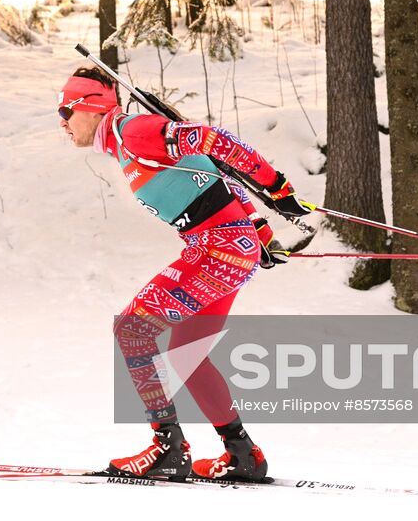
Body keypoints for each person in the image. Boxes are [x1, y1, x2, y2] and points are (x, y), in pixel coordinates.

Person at [57, 65, 312, 482]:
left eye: (65, 111)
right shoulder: (124, 144)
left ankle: (167, 449)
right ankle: (242, 454)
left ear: (90, 106)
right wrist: (259, 230)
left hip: (218, 249)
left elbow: (213, 140)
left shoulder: (132, 131)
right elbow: (212, 172)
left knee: (132, 331)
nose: (63, 123)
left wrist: (276, 187)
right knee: (186, 350)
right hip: (226, 246)